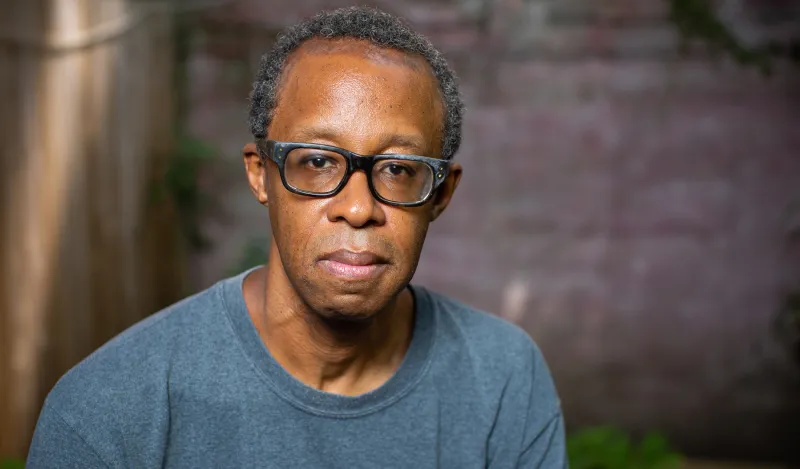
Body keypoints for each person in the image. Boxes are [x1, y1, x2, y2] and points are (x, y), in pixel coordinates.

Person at [26, 6, 567, 468]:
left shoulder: (501, 380)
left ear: (441, 194)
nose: (358, 208)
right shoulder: (107, 410)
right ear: (261, 174)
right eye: (316, 161)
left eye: (399, 169)